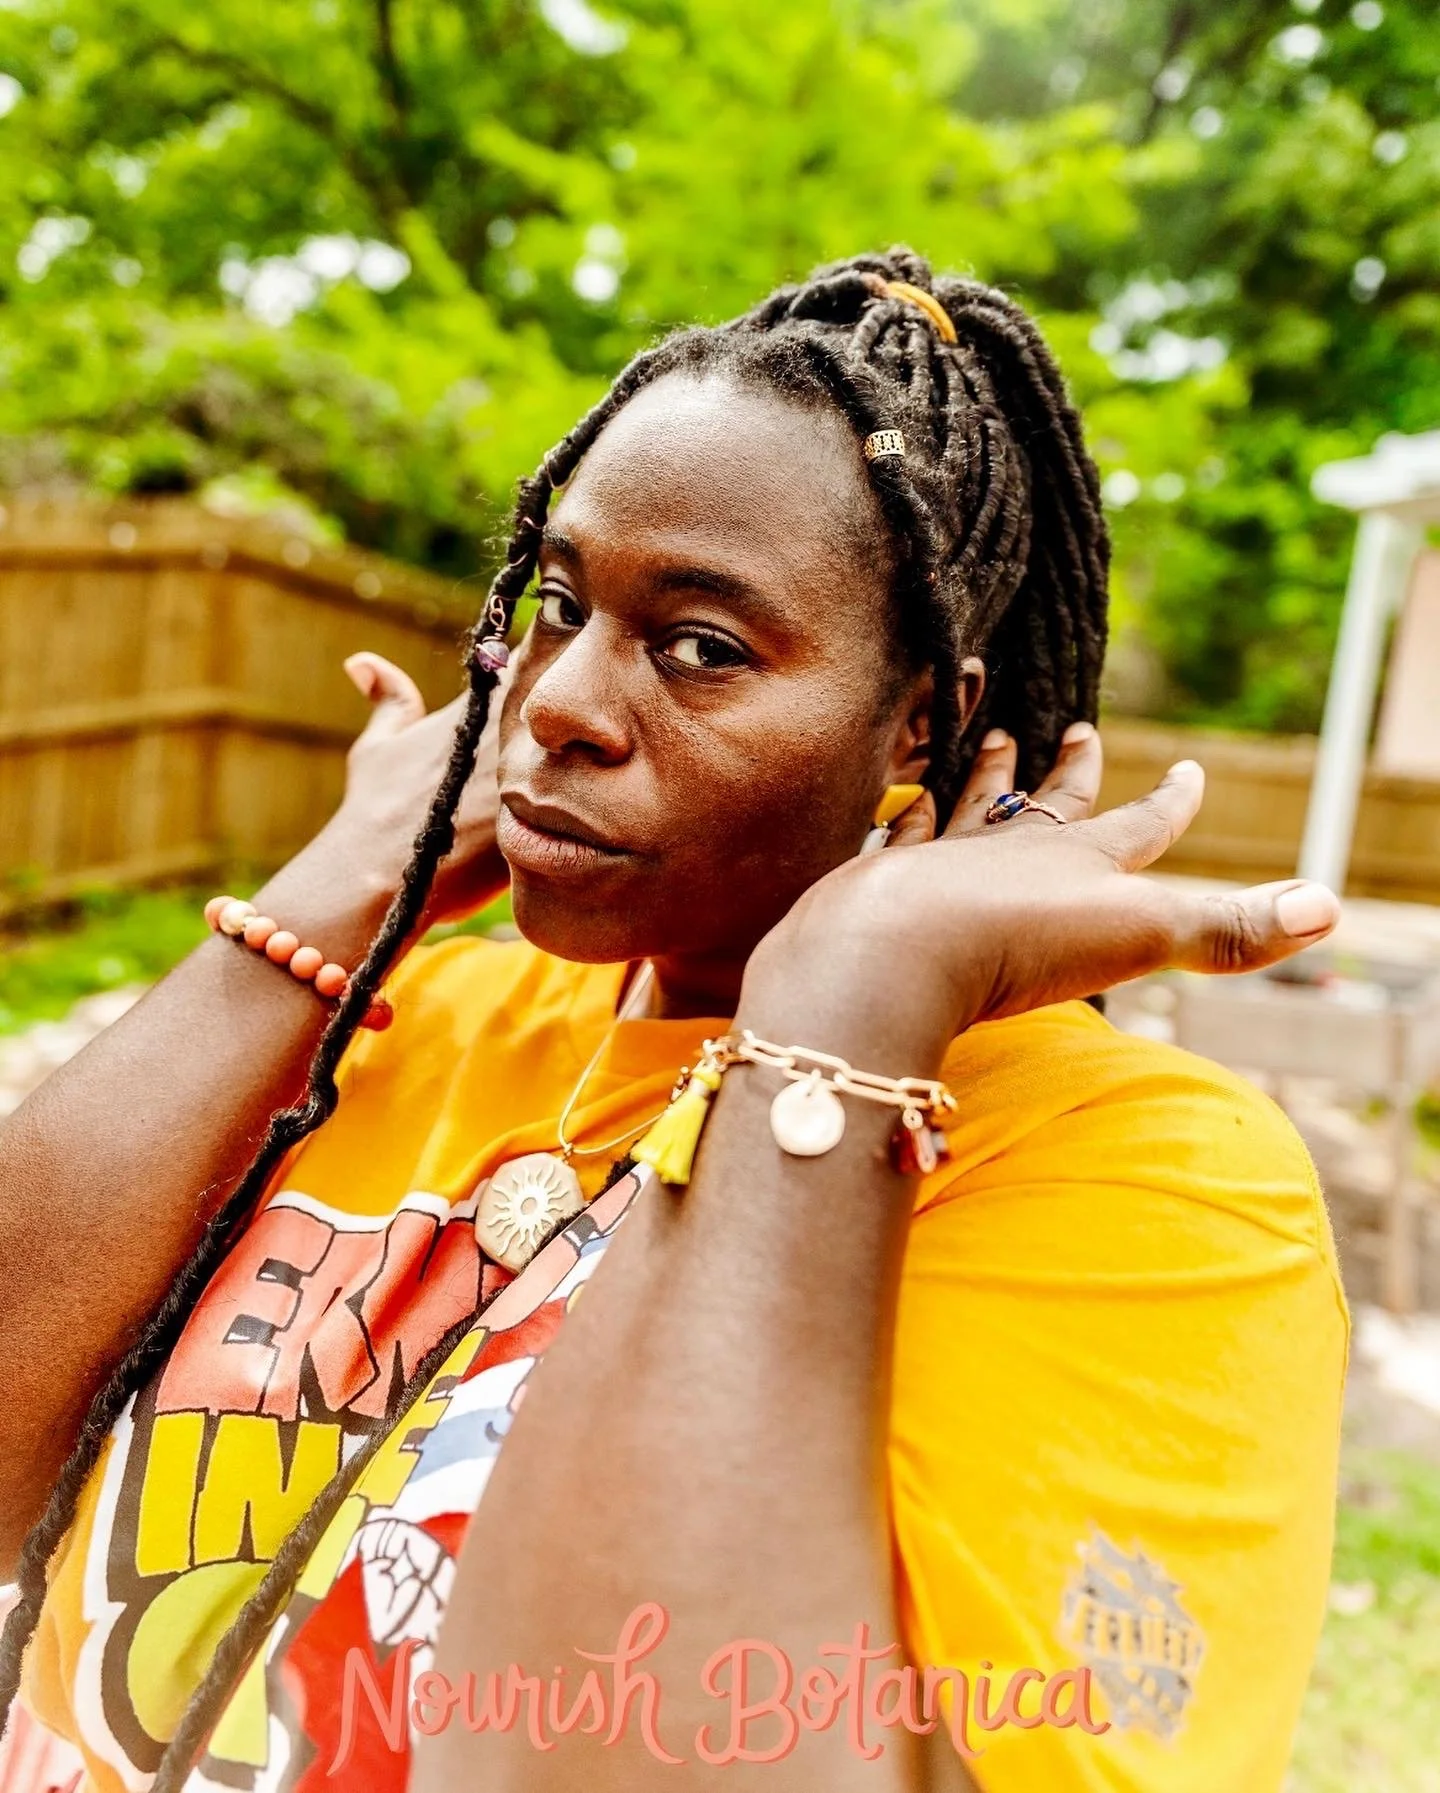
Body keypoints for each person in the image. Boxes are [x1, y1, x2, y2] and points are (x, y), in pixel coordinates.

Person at [0, 251, 1347, 1793]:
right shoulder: (400, 1014)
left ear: (921, 720)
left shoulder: (1143, 1183)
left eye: (704, 646)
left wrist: (845, 1011)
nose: (560, 701)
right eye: (562, 605)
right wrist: (324, 901)